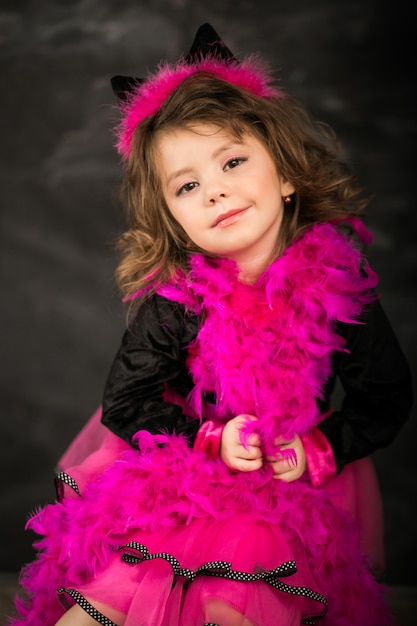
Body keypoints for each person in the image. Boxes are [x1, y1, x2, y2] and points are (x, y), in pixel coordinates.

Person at [10, 23, 412, 626]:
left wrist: (318, 450)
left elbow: (386, 395)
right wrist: (211, 439)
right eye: (189, 185)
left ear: (286, 175)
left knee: (236, 602)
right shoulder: (177, 302)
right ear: (174, 219)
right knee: (105, 604)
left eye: (232, 162)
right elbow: (126, 400)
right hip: (183, 482)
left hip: (285, 495)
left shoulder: (340, 285)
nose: (216, 193)